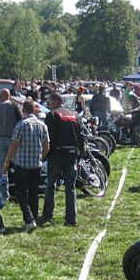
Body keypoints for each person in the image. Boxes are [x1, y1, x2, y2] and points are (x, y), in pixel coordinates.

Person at [2, 98, 49, 233]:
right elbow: (47, 146)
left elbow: (14, 145)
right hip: (36, 164)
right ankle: (33, 217)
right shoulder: (42, 125)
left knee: (21, 193)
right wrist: (41, 157)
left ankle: (29, 219)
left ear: (23, 110)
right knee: (34, 192)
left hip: (21, 164)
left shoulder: (21, 125)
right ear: (34, 109)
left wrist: (7, 161)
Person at [41, 92, 83, 227]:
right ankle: (71, 219)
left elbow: (48, 137)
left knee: (50, 186)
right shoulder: (74, 115)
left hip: (56, 155)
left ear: (55, 102)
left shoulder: (52, 115)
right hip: (71, 154)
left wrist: (46, 155)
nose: (48, 105)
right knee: (70, 188)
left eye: (49, 102)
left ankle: (47, 215)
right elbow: (80, 135)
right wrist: (80, 153)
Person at [0, 89, 22, 172]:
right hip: (12, 138)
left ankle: (1, 181)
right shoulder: (13, 106)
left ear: (0, 96)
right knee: (16, 160)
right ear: (9, 96)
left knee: (2, 162)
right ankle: (17, 179)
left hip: (0, 138)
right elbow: (21, 119)